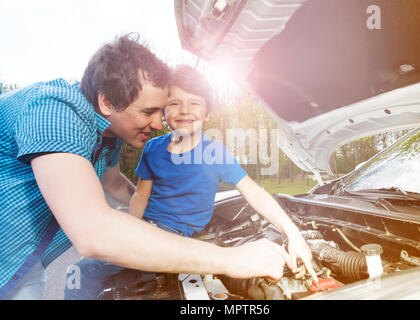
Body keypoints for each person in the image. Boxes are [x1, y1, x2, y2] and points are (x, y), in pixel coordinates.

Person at [0, 34, 295, 300]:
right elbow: (93, 232)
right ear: (106, 102)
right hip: (5, 261)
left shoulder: (108, 136)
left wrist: (148, 227)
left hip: (25, 264)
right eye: (149, 111)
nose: (158, 124)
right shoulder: (54, 111)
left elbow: (114, 183)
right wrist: (232, 260)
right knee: (83, 275)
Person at [64, 64, 318, 299]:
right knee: (80, 274)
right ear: (163, 112)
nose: (184, 110)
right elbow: (141, 194)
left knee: (82, 272)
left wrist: (293, 234)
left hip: (178, 237)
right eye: (174, 103)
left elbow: (254, 192)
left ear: (207, 114)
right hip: (148, 229)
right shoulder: (152, 147)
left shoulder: (215, 153)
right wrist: (132, 229)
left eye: (194, 103)